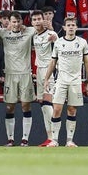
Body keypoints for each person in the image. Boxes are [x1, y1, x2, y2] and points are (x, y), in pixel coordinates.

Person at [43, 17, 88, 147]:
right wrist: (47, 79)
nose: (71, 27)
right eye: (68, 25)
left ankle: (69, 140)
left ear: (76, 27)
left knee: (71, 110)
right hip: (61, 80)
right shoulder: (59, 43)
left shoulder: (82, 42)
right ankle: (54, 140)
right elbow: (53, 61)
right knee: (57, 109)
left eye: (73, 25)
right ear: (64, 28)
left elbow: (87, 62)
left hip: (76, 81)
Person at [0, 12, 37, 146]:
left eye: (18, 21)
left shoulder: (28, 31)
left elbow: (39, 28)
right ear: (9, 22)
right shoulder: (3, 33)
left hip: (25, 74)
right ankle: (10, 139)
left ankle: (25, 140)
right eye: (13, 21)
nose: (16, 24)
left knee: (26, 105)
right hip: (10, 75)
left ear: (21, 22)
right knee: (10, 107)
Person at [31, 10, 58, 146]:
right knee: (42, 103)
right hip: (39, 71)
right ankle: (49, 137)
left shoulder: (51, 34)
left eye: (39, 19)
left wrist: (54, 38)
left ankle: (54, 138)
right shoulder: (35, 36)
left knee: (48, 102)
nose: (37, 22)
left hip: (50, 70)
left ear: (43, 20)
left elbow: (58, 47)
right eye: (34, 19)